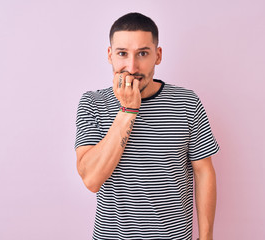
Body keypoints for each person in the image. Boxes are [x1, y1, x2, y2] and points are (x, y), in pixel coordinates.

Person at [75, 12, 220, 240]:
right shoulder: (93, 103)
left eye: (142, 53)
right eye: (122, 54)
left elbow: (203, 171)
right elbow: (91, 179)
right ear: (110, 55)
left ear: (158, 55)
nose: (132, 67)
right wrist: (128, 111)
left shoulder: (187, 102)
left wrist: (206, 237)